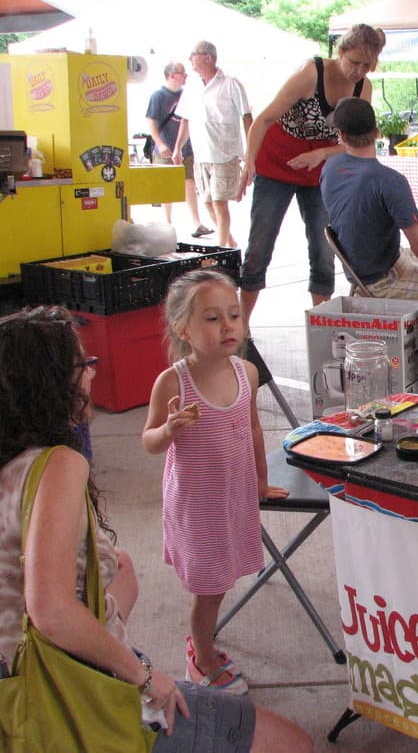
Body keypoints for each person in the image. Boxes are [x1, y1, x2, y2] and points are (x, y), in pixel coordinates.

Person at [0, 306, 311, 752]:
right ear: (50, 383)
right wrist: (144, 676)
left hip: (14, 695)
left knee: (124, 570)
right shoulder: (58, 465)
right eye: (83, 365)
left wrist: (110, 589)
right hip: (71, 694)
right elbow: (51, 610)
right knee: (293, 743)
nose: (91, 375)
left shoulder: (1, 463)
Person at [142, 270, 287, 694]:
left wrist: (260, 482)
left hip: (234, 497)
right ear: (182, 329)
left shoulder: (246, 372)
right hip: (196, 506)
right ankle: (201, 656)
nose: (228, 326)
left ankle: (203, 644)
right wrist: (168, 429)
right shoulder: (174, 382)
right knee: (209, 587)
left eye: (234, 315)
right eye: (212, 318)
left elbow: (253, 429)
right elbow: (149, 441)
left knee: (222, 577)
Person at [238, 25, 385, 324]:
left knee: (324, 249)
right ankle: (242, 324)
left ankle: (322, 324)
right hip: (276, 164)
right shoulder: (310, 73)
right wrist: (249, 161)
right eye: (353, 62)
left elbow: (357, 140)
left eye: (366, 65)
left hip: (318, 172)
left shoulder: (363, 89)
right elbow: (263, 119)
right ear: (340, 52)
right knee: (260, 246)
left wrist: (322, 154)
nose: (358, 71)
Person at [320, 97, 418, 300]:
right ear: (377, 132)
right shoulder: (389, 180)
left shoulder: (330, 168)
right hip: (383, 280)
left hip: (364, 271)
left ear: (341, 135)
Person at [174, 40, 252, 248]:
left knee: (219, 202)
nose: (190, 59)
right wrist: (178, 148)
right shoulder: (192, 86)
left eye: (193, 54)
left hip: (224, 154)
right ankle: (230, 243)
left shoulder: (230, 84)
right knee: (207, 202)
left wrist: (250, 152)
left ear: (207, 57)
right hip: (201, 154)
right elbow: (185, 119)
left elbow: (247, 117)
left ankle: (220, 248)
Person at [146, 60, 214, 238]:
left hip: (186, 148)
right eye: (182, 73)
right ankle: (167, 223)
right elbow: (151, 122)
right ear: (171, 75)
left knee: (190, 183)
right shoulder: (158, 96)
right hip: (164, 148)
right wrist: (160, 143)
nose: (185, 76)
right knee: (166, 185)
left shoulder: (187, 94)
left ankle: (196, 222)